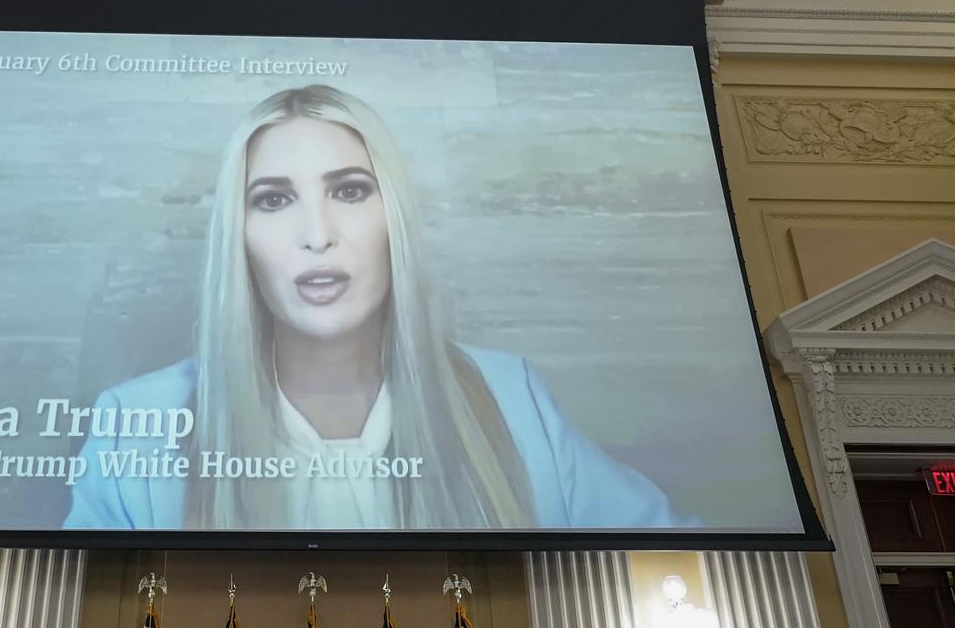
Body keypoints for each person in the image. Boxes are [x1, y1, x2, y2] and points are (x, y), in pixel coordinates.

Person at [64, 85, 691, 531]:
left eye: (350, 190)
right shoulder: (134, 423)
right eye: (274, 200)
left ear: (395, 219)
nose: (318, 234)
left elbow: (675, 561)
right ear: (239, 238)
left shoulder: (509, 395)